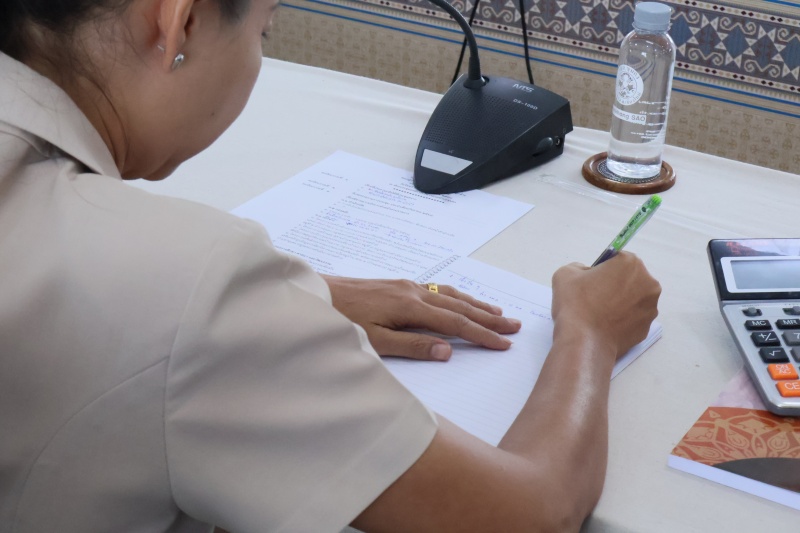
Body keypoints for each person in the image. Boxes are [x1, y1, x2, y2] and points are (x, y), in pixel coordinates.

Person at [0, 0, 661, 531]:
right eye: (265, 29)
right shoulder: (191, 283)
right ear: (179, 23)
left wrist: (291, 304)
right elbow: (531, 514)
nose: (259, 53)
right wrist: (590, 332)